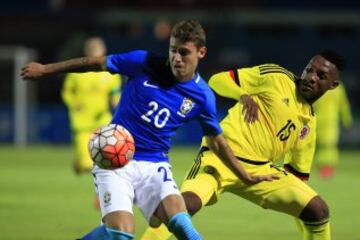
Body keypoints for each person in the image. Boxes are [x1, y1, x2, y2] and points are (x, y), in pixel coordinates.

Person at [21, 20, 275, 240]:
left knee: (184, 226)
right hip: (115, 158)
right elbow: (93, 62)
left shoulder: (203, 96)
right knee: (120, 234)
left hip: (155, 165)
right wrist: (46, 69)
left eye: (184, 52)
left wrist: (245, 176)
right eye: (173, 50)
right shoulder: (143, 62)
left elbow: (217, 140)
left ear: (201, 52)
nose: (176, 57)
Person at [140, 50, 344, 240]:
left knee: (318, 211)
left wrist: (301, 210)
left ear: (333, 85)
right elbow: (217, 80)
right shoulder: (277, 77)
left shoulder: (309, 123)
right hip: (220, 157)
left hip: (261, 171)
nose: (311, 77)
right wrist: (242, 95)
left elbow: (297, 178)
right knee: (186, 205)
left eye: (321, 76)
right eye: (309, 69)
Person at [61, 37, 122, 174]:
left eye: (97, 50)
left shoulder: (111, 74)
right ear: (87, 52)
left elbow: (115, 94)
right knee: (88, 166)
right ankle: (80, 162)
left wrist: (117, 105)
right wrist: (73, 103)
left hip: (102, 118)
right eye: (92, 50)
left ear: (103, 51)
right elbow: (66, 92)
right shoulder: (77, 73)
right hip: (82, 120)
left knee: (109, 157)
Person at [313, 82, 353, 179]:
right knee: (328, 146)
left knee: (324, 146)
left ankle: (325, 169)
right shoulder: (337, 87)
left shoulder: (319, 85)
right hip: (329, 121)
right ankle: (326, 169)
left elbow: (312, 103)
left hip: (321, 120)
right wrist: (347, 120)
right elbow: (344, 104)